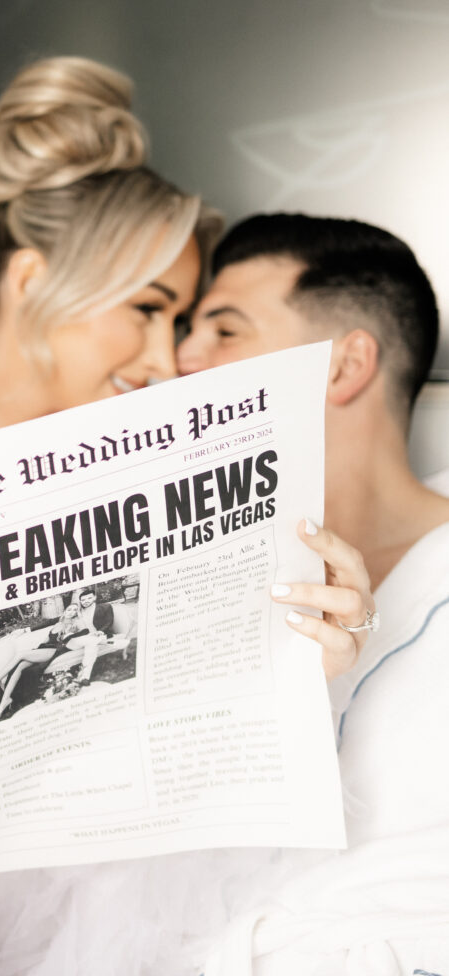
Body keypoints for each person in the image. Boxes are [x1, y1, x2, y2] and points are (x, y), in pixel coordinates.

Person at [0, 56, 367, 974]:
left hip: (38, 872)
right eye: (149, 311)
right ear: (35, 276)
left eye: (185, 324)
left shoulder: (145, 460)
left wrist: (313, 644)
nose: (167, 361)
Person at [177, 213, 449, 973]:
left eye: (224, 332)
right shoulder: (188, 582)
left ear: (340, 367)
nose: (182, 358)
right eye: (185, 331)